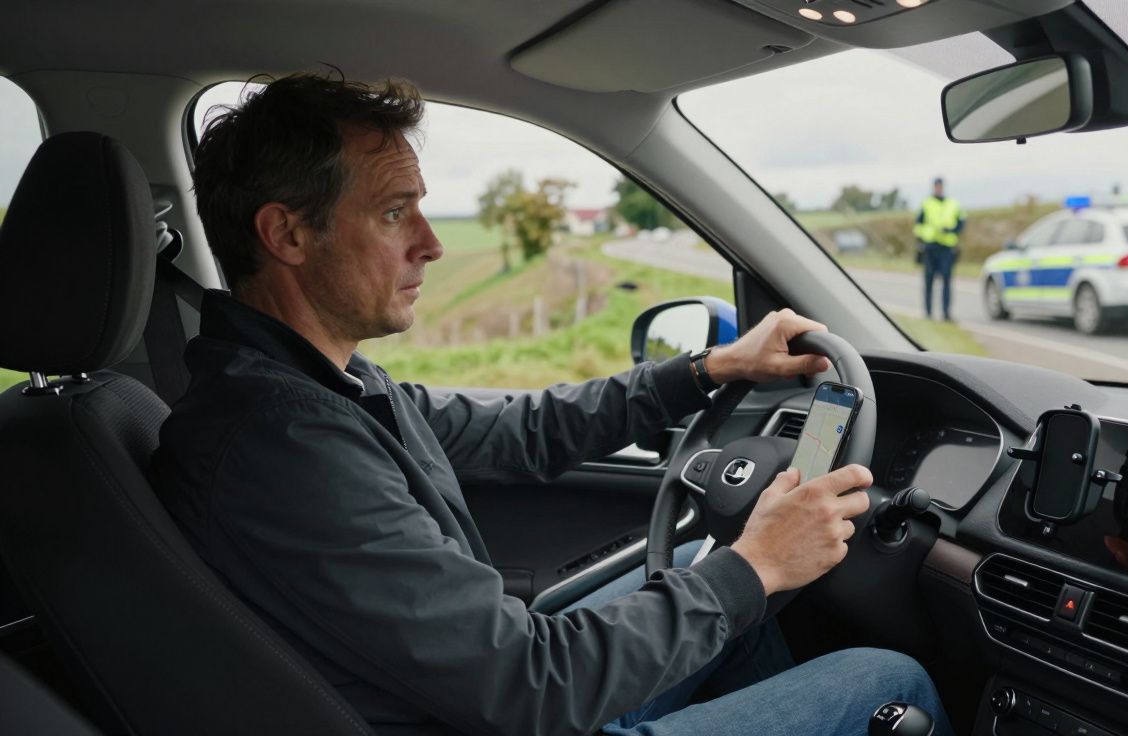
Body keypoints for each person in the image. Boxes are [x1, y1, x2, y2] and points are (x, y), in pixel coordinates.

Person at [153, 72, 952, 736]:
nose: (431, 243)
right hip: (497, 713)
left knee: (742, 622)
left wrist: (708, 370)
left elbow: (521, 433)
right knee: (888, 678)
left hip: (466, 701)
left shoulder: (318, 388)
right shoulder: (285, 447)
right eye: (395, 212)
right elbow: (533, 684)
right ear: (287, 236)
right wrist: (757, 562)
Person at [915, 177, 966, 321]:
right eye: (936, 186)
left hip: (947, 248)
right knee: (929, 281)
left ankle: (946, 313)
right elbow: (918, 225)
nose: (938, 188)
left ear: (943, 187)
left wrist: (950, 230)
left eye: (940, 186)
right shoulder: (926, 203)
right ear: (933, 187)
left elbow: (961, 224)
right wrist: (921, 241)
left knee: (947, 281)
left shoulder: (953, 204)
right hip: (930, 247)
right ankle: (928, 313)